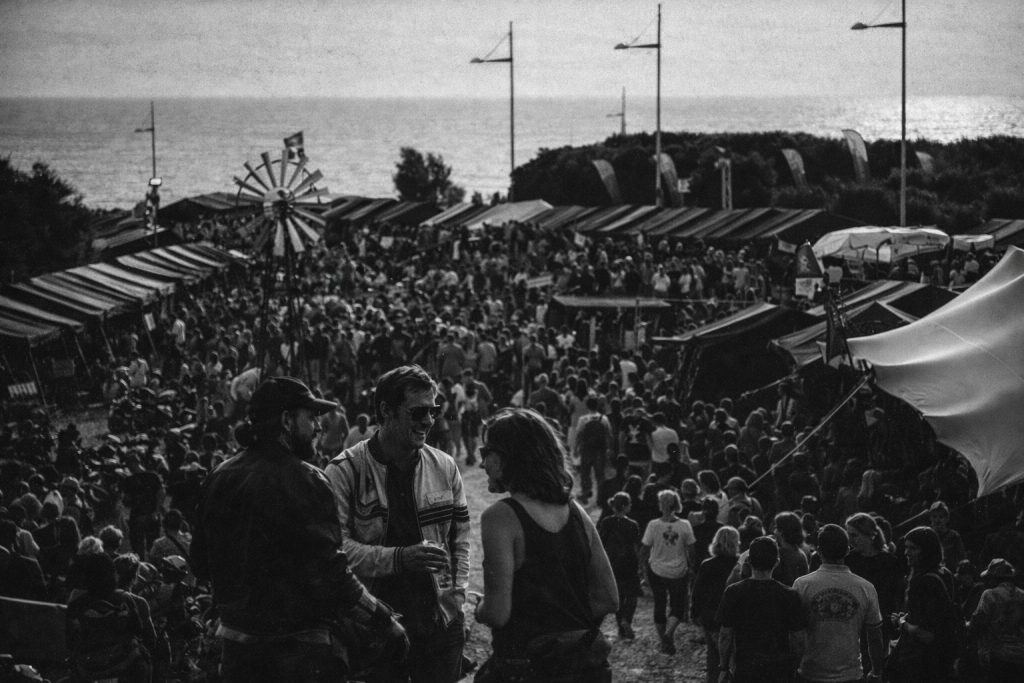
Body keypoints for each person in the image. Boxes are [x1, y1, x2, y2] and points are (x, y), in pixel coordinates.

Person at [192, 376, 408, 683]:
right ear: (286, 420)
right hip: (297, 655)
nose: (319, 427)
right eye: (312, 417)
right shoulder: (308, 480)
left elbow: (200, 563)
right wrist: (382, 617)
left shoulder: (218, 476)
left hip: (236, 652)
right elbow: (334, 577)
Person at [325, 365, 470, 683]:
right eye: (418, 412)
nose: (429, 421)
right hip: (376, 628)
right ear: (386, 411)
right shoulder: (345, 471)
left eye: (433, 411)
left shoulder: (444, 467)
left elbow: (460, 540)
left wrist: (455, 604)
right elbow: (335, 552)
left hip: (438, 625)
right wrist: (399, 559)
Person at [475, 408, 618, 682]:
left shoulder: (500, 517)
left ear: (509, 456)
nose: (482, 464)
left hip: (523, 667)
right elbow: (608, 598)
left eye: (486, 454)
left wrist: (478, 608)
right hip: (580, 669)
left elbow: (497, 613)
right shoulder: (576, 513)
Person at [792, 524, 885, 683]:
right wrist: (876, 671)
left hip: (810, 673)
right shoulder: (865, 588)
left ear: (819, 551)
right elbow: (875, 637)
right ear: (847, 550)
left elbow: (795, 637)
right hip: (850, 674)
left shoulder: (802, 585)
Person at [716, 536, 807, 683]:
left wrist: (724, 668)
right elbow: (798, 639)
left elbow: (725, 635)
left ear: (749, 561)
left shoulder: (733, 592)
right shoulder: (790, 595)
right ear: (776, 563)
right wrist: (794, 667)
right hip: (779, 669)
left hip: (745, 668)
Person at [66, 552, 159, 683]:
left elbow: (70, 639)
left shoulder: (76, 603)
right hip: (123, 663)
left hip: (88, 667)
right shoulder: (126, 599)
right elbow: (139, 630)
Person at [887, 525, 958, 683]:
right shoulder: (946, 573)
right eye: (906, 547)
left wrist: (901, 622)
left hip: (920, 662)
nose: (906, 553)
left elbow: (926, 634)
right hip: (942, 659)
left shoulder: (923, 581)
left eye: (913, 548)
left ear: (927, 550)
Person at [641, 488, 696, 655]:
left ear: (661, 505)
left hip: (656, 569)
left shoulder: (653, 525)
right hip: (678, 570)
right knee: (677, 605)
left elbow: (644, 549)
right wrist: (692, 566)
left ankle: (664, 641)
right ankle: (668, 634)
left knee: (659, 603)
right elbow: (692, 550)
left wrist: (642, 568)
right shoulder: (684, 525)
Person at [690, 525, 739, 683]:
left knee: (713, 655)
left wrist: (694, 613)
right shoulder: (739, 565)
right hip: (732, 616)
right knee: (733, 655)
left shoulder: (707, 564)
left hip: (711, 615)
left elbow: (697, 592)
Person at [968, 558, 1024, 682]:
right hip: (1021, 656)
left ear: (994, 578)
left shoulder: (990, 595)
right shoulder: (1022, 595)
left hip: (997, 656)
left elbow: (977, 622)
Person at [597, 491, 642, 640]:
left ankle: (621, 627)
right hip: (629, 562)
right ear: (624, 506)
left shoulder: (606, 522)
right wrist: (641, 565)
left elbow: (601, 543)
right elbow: (636, 547)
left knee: (619, 594)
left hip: (612, 562)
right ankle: (626, 620)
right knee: (632, 594)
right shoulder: (633, 524)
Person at [575, 397, 613, 504]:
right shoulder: (603, 418)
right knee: (600, 474)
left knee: (585, 473)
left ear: (587, 406)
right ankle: (600, 497)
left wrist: (575, 448)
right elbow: (609, 434)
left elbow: (579, 434)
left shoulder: (583, 419)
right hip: (600, 450)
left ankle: (586, 493)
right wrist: (609, 448)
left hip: (586, 449)